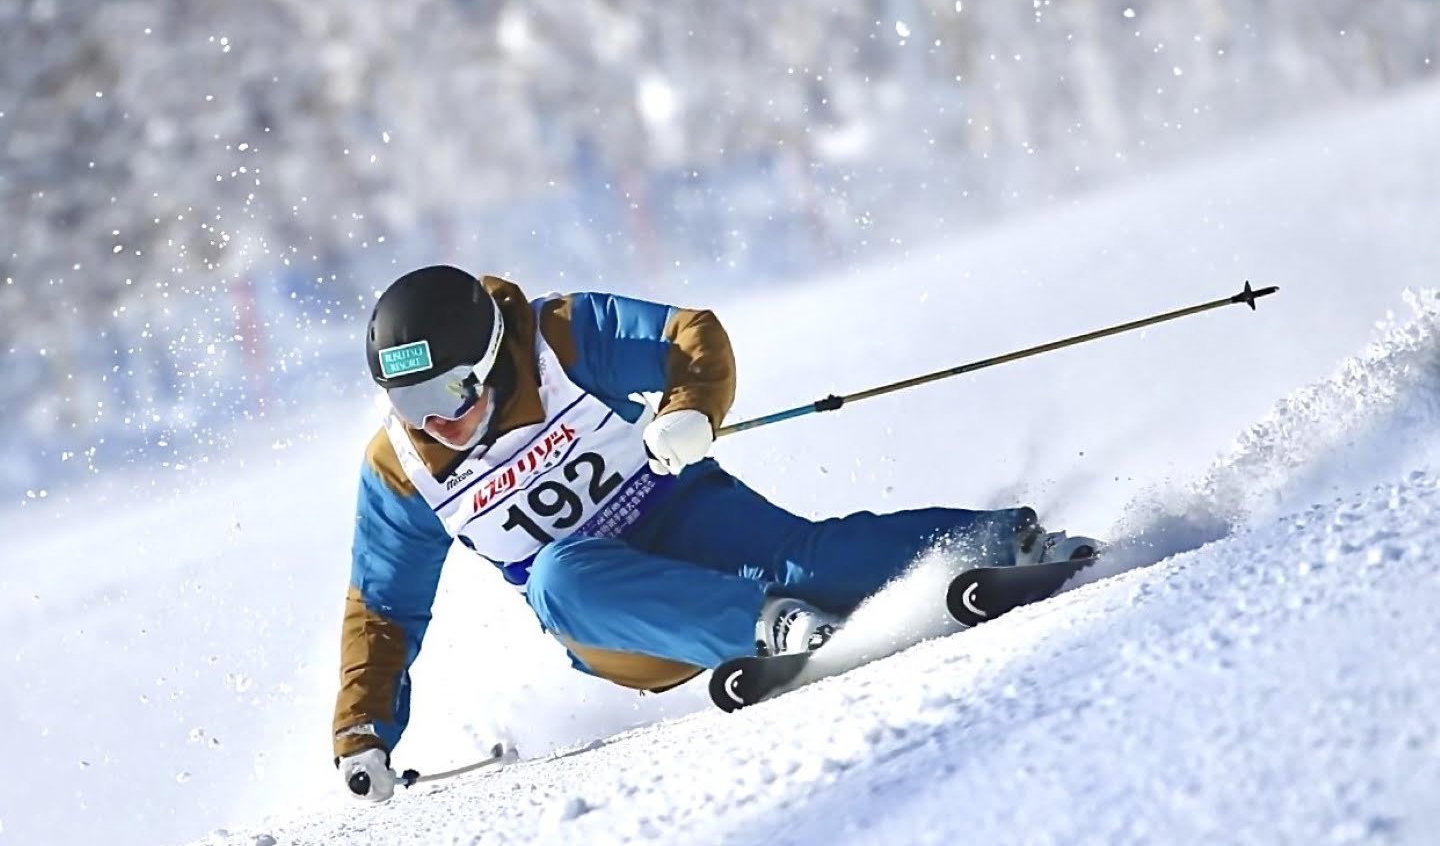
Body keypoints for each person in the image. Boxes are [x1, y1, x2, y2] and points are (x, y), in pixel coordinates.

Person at [334, 265, 1097, 800]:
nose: (436, 418)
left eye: (451, 389)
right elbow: (383, 606)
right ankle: (770, 629)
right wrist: (363, 729)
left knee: (813, 558)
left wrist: (689, 408)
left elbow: (688, 335)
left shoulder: (558, 339)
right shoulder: (403, 470)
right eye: (408, 400)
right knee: (558, 575)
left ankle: (1014, 545)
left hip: (683, 514)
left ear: (493, 357)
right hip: (618, 620)